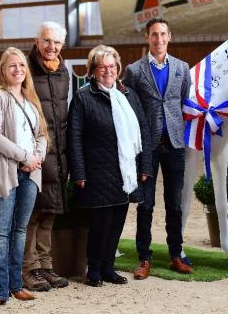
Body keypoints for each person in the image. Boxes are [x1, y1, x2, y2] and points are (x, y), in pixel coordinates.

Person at [67, 45, 152, 287]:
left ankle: (108, 268)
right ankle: (94, 268)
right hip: (97, 170)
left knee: (117, 220)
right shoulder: (83, 97)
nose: (108, 70)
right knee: (100, 223)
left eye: (112, 66)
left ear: (118, 68)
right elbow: (74, 137)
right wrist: (79, 173)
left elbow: (143, 130)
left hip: (125, 171)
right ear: (93, 70)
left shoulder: (128, 95)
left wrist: (145, 166)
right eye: (102, 66)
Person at [123, 18, 193, 279]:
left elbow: (183, 100)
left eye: (163, 34)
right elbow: (129, 108)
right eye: (154, 35)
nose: (159, 39)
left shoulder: (182, 68)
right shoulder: (134, 70)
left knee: (174, 203)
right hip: (147, 148)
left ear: (169, 36)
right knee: (146, 204)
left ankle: (176, 253)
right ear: (147, 37)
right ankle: (144, 257)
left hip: (175, 145)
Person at [0, 47, 48, 310]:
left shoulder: (31, 101)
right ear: (3, 70)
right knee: (0, 234)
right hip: (3, 173)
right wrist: (24, 156)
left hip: (31, 173)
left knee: (20, 231)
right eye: (12, 66)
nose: (18, 70)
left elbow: (42, 133)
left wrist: (37, 156)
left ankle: (15, 285)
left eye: (21, 65)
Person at [22, 21, 70, 292]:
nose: (52, 47)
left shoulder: (63, 71)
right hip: (34, 152)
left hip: (58, 152)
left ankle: (46, 265)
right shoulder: (26, 67)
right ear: (37, 41)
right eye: (47, 41)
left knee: (49, 213)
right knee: (32, 213)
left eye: (57, 42)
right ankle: (29, 269)